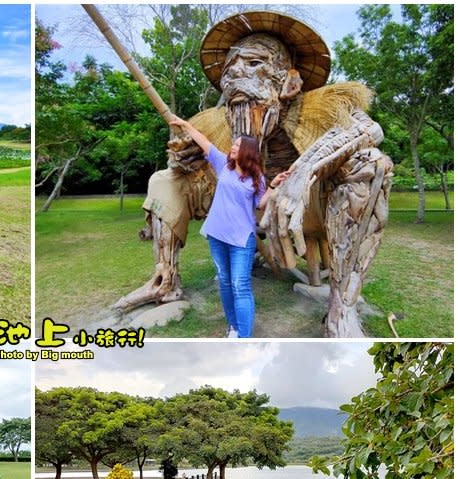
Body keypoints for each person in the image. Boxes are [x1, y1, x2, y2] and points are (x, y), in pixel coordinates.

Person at [118, 11, 391, 337]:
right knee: (164, 180)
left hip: (306, 209)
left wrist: (302, 172)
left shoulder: (322, 107)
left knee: (371, 164)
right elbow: (199, 154)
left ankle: (341, 309)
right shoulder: (218, 123)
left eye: (253, 64)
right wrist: (184, 151)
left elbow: (370, 130)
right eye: (230, 67)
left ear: (289, 82)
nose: (235, 74)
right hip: (238, 212)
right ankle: (166, 278)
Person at [166, 114, 289, 338]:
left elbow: (260, 203)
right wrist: (185, 125)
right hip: (217, 234)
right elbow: (203, 140)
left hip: (242, 238)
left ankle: (244, 336)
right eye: (234, 143)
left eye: (238, 145)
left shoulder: (257, 178)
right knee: (224, 282)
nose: (233, 146)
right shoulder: (224, 164)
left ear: (248, 151)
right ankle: (233, 326)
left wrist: (273, 185)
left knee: (240, 285)